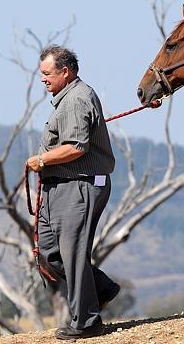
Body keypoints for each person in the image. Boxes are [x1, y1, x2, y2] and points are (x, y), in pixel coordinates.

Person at [26, 45, 119, 340]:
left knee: (72, 253)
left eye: (47, 73)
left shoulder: (77, 99)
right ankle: (100, 288)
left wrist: (41, 160)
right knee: (50, 253)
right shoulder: (65, 100)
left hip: (81, 184)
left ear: (65, 72)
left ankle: (87, 321)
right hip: (59, 186)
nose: (42, 79)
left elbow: (76, 147)